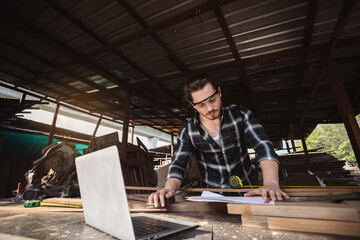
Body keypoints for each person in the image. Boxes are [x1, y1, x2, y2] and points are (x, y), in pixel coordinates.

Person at [148, 75, 289, 207]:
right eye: (201, 104)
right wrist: (168, 189)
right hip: (215, 200)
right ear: (193, 105)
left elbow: (263, 146)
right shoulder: (188, 131)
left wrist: (271, 183)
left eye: (212, 99)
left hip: (250, 193)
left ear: (219, 92)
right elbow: (178, 165)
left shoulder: (241, 114)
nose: (210, 108)